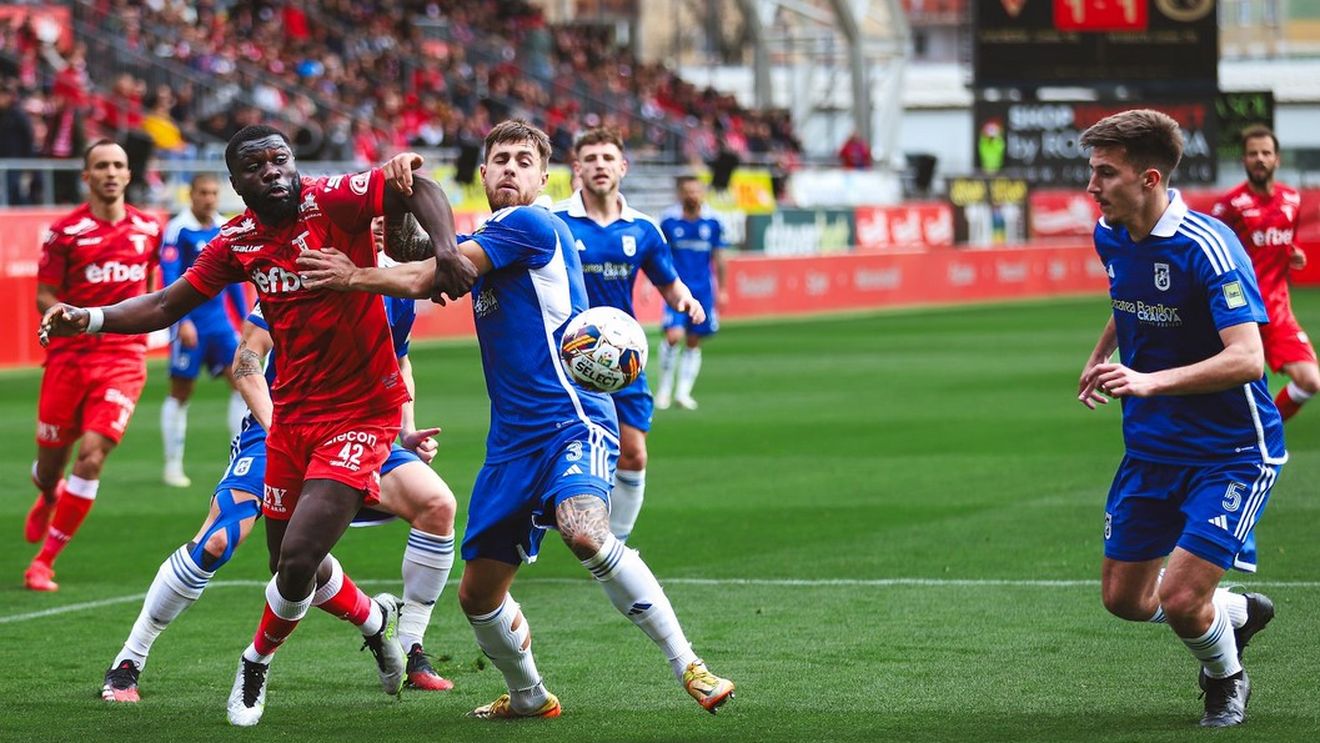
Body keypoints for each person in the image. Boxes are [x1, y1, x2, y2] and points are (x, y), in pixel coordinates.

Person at [38, 124, 477, 727]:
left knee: (307, 551)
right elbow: (169, 306)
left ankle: (253, 661)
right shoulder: (238, 243)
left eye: (281, 159)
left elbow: (419, 184)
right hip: (287, 418)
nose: (272, 171)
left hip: (358, 417)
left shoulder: (337, 203)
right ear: (236, 182)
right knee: (287, 567)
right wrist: (87, 318)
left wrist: (447, 248)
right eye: (255, 166)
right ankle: (377, 621)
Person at [296, 119, 735, 720]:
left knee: (584, 530)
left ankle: (689, 664)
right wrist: (398, 191)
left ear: (543, 176)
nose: (509, 168)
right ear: (481, 174)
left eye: (523, 161)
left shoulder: (529, 226)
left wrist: (351, 277)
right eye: (499, 159)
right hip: (510, 442)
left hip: (570, 419)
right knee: (478, 596)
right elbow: (413, 250)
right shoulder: (484, 234)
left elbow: (428, 276)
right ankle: (529, 695)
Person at [102, 280, 459, 702]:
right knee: (222, 541)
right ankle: (129, 660)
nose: (380, 222)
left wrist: (406, 429)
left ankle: (411, 645)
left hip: (356, 431)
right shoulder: (298, 273)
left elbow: (399, 362)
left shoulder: (398, 287)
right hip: (278, 431)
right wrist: (284, 434)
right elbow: (247, 358)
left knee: (438, 504)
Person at [1075, 109, 1285, 728]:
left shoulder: (1210, 247)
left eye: (1104, 174)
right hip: (1151, 447)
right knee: (1125, 600)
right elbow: (1129, 296)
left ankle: (1227, 680)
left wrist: (1147, 381)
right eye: (1091, 171)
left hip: (1231, 451)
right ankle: (1238, 613)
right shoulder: (1110, 233)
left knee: (1180, 597)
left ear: (1148, 178)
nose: (1091, 187)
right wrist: (1099, 355)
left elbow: (1249, 358)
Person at [24, 139, 162, 592]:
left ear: (128, 175)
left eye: (118, 165)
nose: (110, 172)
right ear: (86, 176)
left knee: (93, 455)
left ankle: (44, 561)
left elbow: (153, 288)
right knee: (51, 465)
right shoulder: (64, 232)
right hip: (68, 358)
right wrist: (58, 312)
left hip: (123, 358)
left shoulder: (148, 229)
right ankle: (48, 493)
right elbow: (45, 293)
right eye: (100, 165)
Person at [554, 128, 704, 542]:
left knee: (634, 453)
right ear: (577, 168)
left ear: (623, 166)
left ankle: (615, 543)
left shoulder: (643, 229)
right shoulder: (556, 224)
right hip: (563, 360)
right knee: (557, 453)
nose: (599, 165)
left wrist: (687, 302)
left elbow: (668, 283)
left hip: (622, 360)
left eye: (607, 157)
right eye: (591, 158)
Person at [1211, 125, 1319, 422]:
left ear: (1277, 159)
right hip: (1240, 310)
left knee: (1310, 380)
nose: (1260, 158)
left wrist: (1293, 250)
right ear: (1243, 160)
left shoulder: (1292, 200)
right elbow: (1211, 254)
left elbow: (1284, 239)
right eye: (1252, 153)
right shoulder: (1229, 205)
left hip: (1278, 310)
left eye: (1266, 153)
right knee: (1230, 392)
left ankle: (1265, 428)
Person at [159, 173, 249, 488]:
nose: (209, 198)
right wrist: (180, 320)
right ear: (191, 195)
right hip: (191, 325)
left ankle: (239, 460)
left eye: (213, 192)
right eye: (203, 192)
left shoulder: (225, 228)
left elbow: (234, 281)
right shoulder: (178, 229)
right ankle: (172, 465)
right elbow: (169, 276)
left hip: (221, 325)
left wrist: (244, 321)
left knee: (243, 383)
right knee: (181, 392)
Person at [657, 175, 728, 411]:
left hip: (703, 291)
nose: (692, 195)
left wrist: (723, 289)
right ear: (680, 194)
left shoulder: (713, 222)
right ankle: (664, 389)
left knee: (693, 341)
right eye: (687, 191)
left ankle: (683, 392)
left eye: (696, 191)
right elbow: (658, 256)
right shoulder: (668, 221)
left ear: (703, 193)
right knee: (673, 336)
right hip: (675, 290)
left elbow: (719, 257)